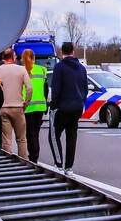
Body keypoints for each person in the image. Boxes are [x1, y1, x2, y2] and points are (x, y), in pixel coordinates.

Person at [50, 41, 87, 175]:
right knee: (71, 136)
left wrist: (54, 105)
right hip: (77, 107)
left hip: (62, 107)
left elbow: (56, 88)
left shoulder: (59, 67)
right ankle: (69, 167)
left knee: (54, 135)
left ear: (62, 52)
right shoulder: (82, 68)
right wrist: (81, 102)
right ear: (73, 51)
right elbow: (85, 88)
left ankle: (58, 164)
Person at [0, 48, 32, 159]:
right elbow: (29, 88)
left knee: (6, 140)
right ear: (13, 57)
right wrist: (26, 103)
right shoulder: (21, 69)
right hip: (18, 107)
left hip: (2, 108)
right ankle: (24, 163)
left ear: (3, 58)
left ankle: (8, 162)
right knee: (21, 139)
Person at [21, 49, 49, 164]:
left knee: (29, 133)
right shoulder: (43, 70)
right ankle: (35, 155)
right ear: (34, 57)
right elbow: (45, 89)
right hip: (40, 106)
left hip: (27, 105)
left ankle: (33, 157)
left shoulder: (22, 70)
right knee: (36, 132)